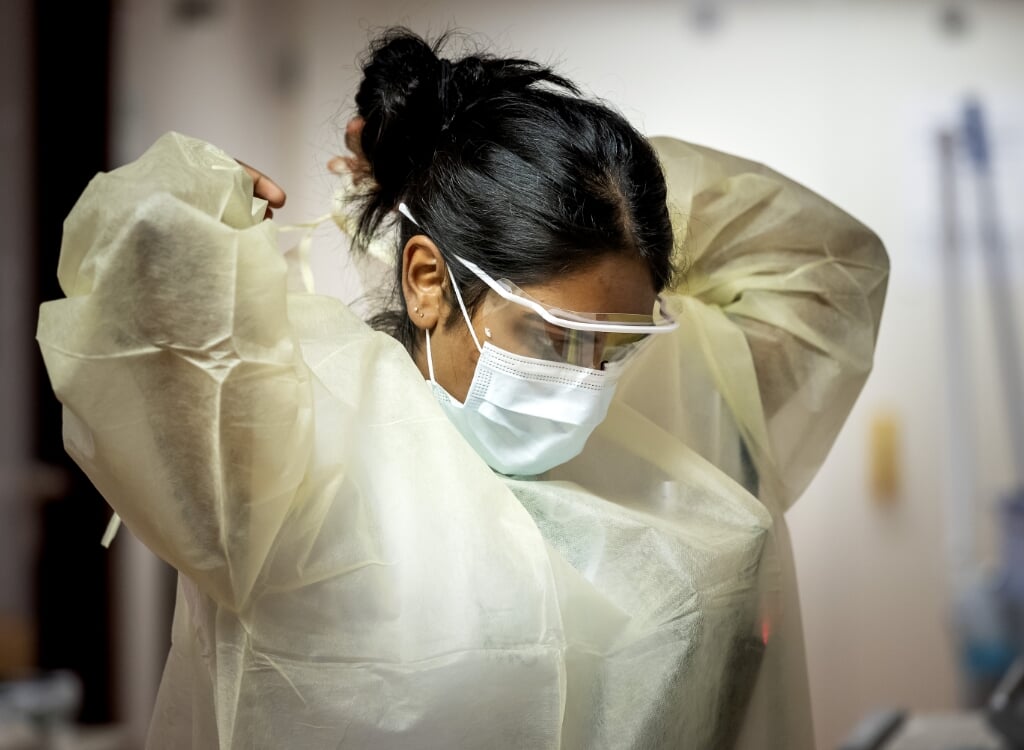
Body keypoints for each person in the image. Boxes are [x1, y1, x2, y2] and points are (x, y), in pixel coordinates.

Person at [37, 27, 889, 750]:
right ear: (427, 282)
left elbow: (825, 269)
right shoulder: (289, 460)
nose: (585, 385)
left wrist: (584, 187)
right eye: (553, 338)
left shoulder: (656, 443)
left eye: (616, 347)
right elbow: (134, 283)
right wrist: (202, 198)